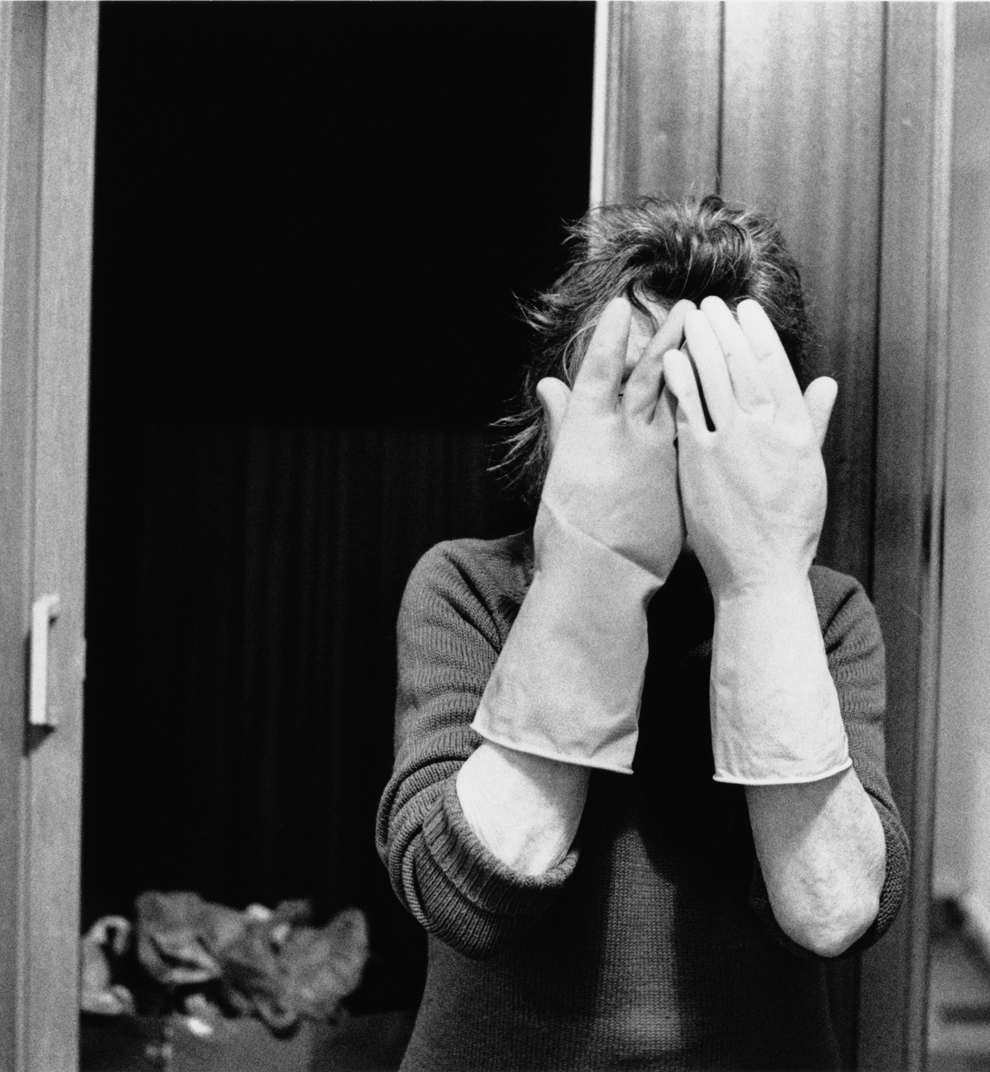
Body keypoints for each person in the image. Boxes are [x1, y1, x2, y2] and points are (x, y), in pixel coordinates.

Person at [375, 195, 909, 1070]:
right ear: (559, 414)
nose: (668, 434)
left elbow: (832, 908)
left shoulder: (827, 612)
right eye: (636, 392)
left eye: (707, 398)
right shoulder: (468, 587)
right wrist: (594, 564)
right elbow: (464, 892)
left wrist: (763, 583)